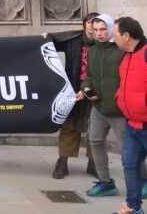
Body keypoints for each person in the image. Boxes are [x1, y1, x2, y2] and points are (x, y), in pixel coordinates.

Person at [77, 14, 147, 197]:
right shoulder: (92, 51)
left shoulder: (121, 50)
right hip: (98, 107)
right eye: (96, 30)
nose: (99, 33)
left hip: (120, 110)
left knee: (130, 151)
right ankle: (105, 182)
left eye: (103, 29)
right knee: (95, 141)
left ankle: (143, 181)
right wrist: (86, 89)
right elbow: (89, 76)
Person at [49, 12, 99, 179]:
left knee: (96, 127)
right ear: (84, 24)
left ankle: (94, 162)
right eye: (89, 22)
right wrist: (44, 37)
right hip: (73, 90)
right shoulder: (74, 39)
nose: (92, 26)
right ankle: (63, 161)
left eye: (96, 23)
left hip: (95, 93)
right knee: (69, 125)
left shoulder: (104, 43)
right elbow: (52, 42)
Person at [112, 17, 147, 214]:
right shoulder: (125, 56)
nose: (113, 39)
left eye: (115, 35)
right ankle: (133, 208)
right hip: (132, 125)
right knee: (130, 164)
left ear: (126, 35)